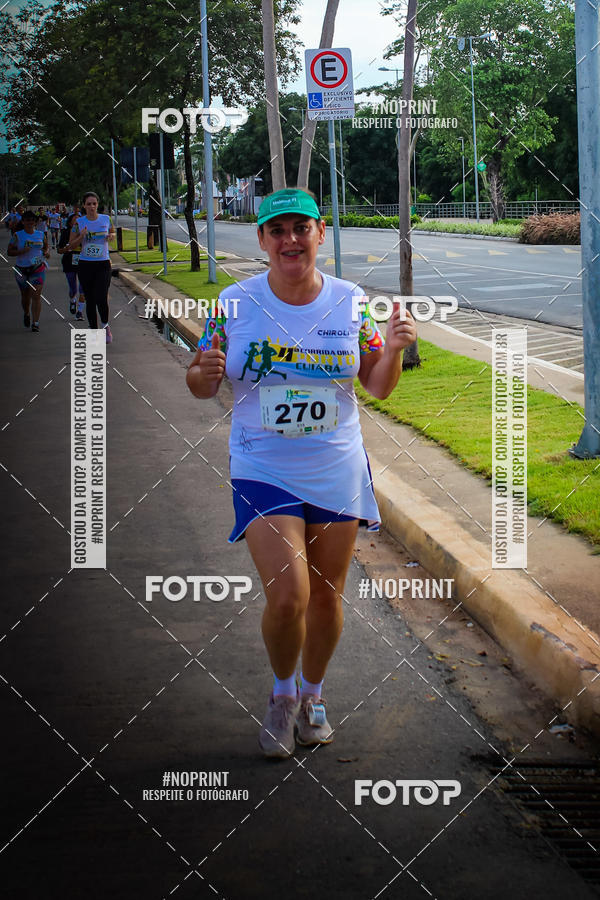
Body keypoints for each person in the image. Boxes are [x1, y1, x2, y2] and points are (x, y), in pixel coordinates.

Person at [186, 188, 417, 758]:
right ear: (263, 240)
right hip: (262, 463)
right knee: (289, 594)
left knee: (327, 595)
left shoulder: (350, 301)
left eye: (301, 227)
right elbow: (200, 381)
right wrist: (203, 370)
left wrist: (390, 352)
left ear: (318, 234)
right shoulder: (232, 304)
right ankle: (283, 695)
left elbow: (377, 386)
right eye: (277, 230)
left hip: (335, 465)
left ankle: (315, 695)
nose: (290, 239)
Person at [67, 192, 115, 342]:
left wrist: (111, 236)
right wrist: (81, 236)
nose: (92, 207)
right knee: (90, 299)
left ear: (97, 205)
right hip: (86, 264)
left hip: (103, 264)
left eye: (94, 204)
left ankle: (105, 325)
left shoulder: (106, 219)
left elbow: (112, 232)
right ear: (84, 206)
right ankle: (94, 331)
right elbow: (71, 246)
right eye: (89, 204)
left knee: (101, 296)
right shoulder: (78, 223)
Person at [7, 209, 50, 332]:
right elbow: (9, 252)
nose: (30, 222)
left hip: (38, 268)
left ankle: (35, 322)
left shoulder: (41, 235)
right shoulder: (17, 235)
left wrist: (46, 253)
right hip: (22, 269)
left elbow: (46, 247)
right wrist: (21, 251)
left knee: (36, 295)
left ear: (35, 222)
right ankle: (26, 313)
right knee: (25, 296)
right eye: (27, 220)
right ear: (23, 221)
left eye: (32, 220)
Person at [57, 212, 84, 316]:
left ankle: (80, 311)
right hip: (69, 262)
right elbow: (59, 250)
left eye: (79, 220)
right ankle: (72, 300)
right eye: (75, 220)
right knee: (73, 288)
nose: (77, 222)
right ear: (70, 222)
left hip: (83, 262)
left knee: (83, 288)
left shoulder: (85, 232)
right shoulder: (65, 233)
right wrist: (67, 248)